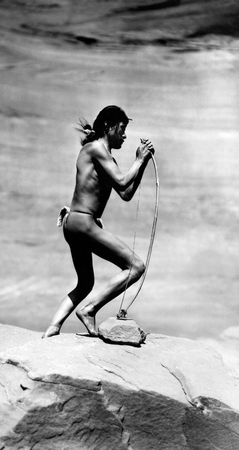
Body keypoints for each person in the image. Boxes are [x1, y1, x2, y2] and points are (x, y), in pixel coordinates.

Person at [43, 105, 154, 338]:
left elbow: (125, 193)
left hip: (74, 223)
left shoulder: (102, 156)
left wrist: (141, 163)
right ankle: (90, 309)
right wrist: (138, 158)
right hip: (83, 222)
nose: (124, 135)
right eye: (122, 129)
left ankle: (53, 328)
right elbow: (123, 181)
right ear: (109, 126)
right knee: (136, 267)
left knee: (85, 283)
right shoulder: (96, 149)